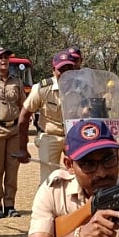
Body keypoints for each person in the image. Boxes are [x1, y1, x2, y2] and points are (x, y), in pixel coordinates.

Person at [18, 51, 76, 185]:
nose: (65, 73)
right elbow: (24, 116)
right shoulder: (42, 88)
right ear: (53, 70)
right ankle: (47, 205)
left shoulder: (82, 88)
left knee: (78, 176)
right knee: (49, 180)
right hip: (50, 136)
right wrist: (22, 148)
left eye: (69, 69)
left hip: (74, 136)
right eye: (61, 69)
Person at [0, 48, 25, 218]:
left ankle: (9, 204)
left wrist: (23, 130)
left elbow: (23, 106)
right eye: (0, 57)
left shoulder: (17, 81)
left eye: (6, 57)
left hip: (14, 129)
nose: (4, 60)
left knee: (12, 168)